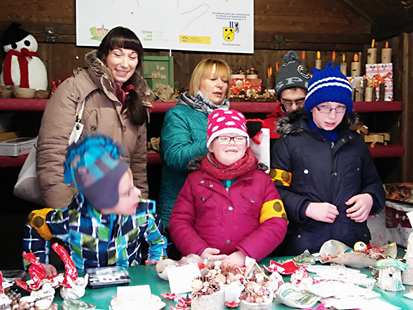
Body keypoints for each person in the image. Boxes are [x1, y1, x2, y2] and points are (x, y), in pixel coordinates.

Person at [270, 62, 385, 256]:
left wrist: (370, 198)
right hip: (304, 247)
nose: (332, 115)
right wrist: (306, 208)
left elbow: (374, 182)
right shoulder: (289, 143)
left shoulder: (355, 143)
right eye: (324, 107)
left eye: (340, 108)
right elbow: (274, 192)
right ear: (312, 107)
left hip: (352, 247)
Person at [36, 26, 154, 209]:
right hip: (79, 206)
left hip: (119, 211)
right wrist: (68, 216)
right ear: (104, 55)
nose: (125, 64)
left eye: (132, 57)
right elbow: (52, 157)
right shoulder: (74, 89)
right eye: (118, 54)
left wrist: (139, 211)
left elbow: (138, 167)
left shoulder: (137, 100)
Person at [23, 134, 167, 276]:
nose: (137, 193)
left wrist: (157, 259)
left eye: (133, 186)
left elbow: (158, 239)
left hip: (128, 288)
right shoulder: (73, 221)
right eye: (127, 192)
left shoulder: (142, 214)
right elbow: (34, 225)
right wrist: (37, 263)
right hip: (82, 289)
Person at [169, 109, 288, 267]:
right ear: (210, 146)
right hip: (204, 268)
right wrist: (199, 251)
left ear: (246, 145)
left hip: (249, 268)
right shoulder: (195, 180)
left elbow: (276, 222)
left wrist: (246, 253)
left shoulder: (263, 180)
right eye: (224, 138)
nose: (232, 142)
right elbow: (179, 221)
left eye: (239, 138)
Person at [158, 58, 231, 230]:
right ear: (198, 82)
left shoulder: (231, 117)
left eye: (224, 80)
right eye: (213, 79)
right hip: (183, 212)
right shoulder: (178, 114)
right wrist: (216, 139)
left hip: (218, 213)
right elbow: (175, 157)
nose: (220, 85)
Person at [248, 51, 310, 149]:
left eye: (300, 101)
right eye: (287, 102)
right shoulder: (266, 127)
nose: (294, 108)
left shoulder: (321, 123)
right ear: (280, 99)